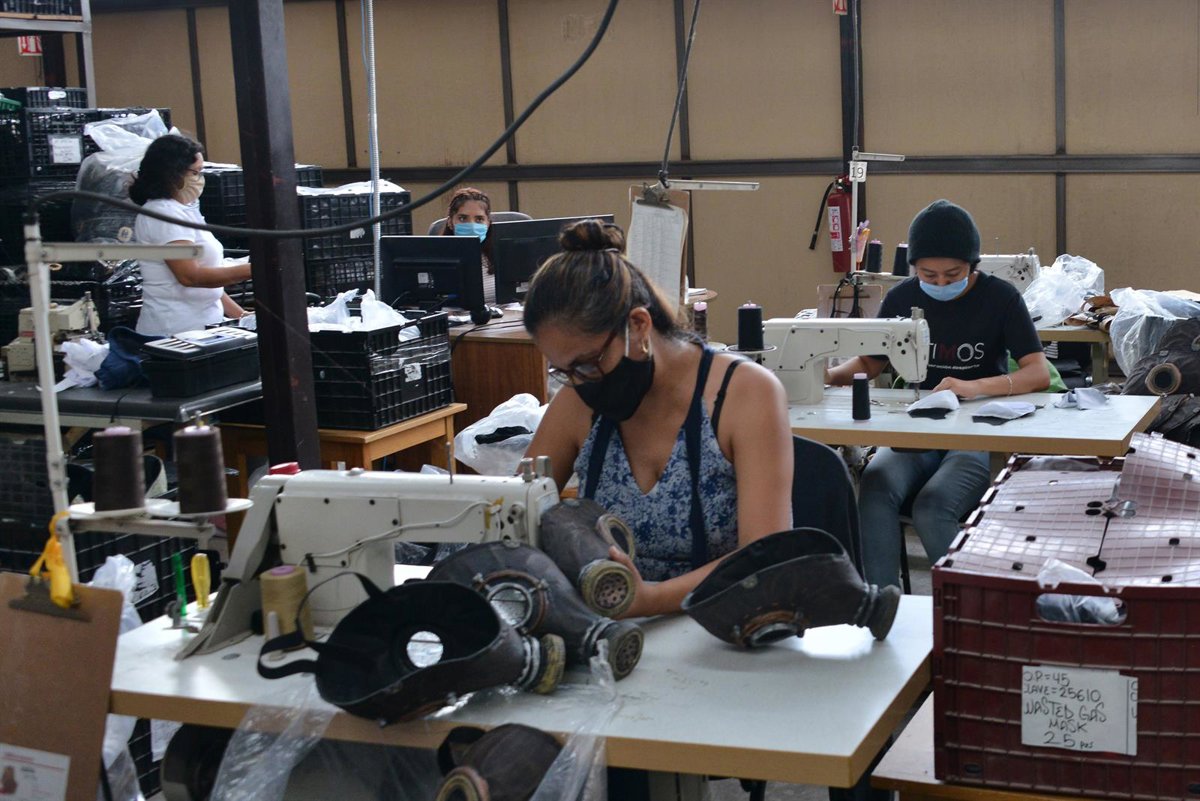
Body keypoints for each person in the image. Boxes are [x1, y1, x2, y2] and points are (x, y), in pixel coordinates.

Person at [523, 218, 793, 618]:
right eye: (564, 371)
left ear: (638, 325)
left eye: (589, 363)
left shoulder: (744, 394)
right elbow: (514, 515)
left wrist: (650, 599)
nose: (579, 381)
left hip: (727, 627)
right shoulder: (578, 400)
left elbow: (766, 557)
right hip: (615, 626)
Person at [828, 199, 1050, 588]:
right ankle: (883, 605)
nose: (941, 284)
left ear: (973, 265)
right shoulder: (901, 299)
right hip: (918, 427)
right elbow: (871, 363)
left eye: (953, 274)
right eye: (929, 275)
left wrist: (973, 387)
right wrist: (821, 374)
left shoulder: (1001, 299)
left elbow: (1038, 372)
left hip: (976, 431)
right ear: (914, 266)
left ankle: (968, 611)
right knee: (875, 490)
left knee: (933, 507)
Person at [129, 134, 252, 337]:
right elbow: (190, 276)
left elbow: (209, 287)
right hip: (175, 330)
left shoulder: (183, 211)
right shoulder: (164, 214)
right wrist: (252, 270)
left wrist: (242, 316)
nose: (200, 179)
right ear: (172, 173)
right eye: (195, 173)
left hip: (203, 327)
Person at [438, 186, 496, 305]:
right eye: (463, 218)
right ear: (450, 222)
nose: (472, 225)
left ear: (488, 223)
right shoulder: (438, 257)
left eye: (479, 219)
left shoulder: (502, 254)